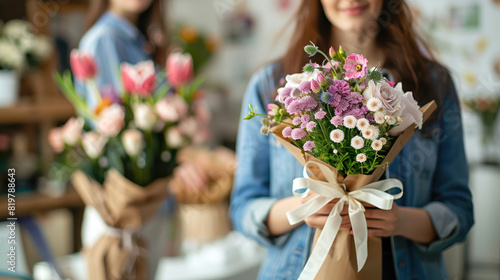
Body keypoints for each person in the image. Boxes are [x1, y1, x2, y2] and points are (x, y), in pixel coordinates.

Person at [230, 0, 474, 279]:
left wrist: (400, 220)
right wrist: (302, 209)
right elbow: (243, 208)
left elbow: (460, 209)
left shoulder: (434, 84)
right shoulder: (271, 85)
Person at [77, 0, 207, 277]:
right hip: (121, 205)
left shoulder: (140, 39)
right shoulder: (103, 40)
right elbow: (114, 125)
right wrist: (183, 158)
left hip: (148, 203)